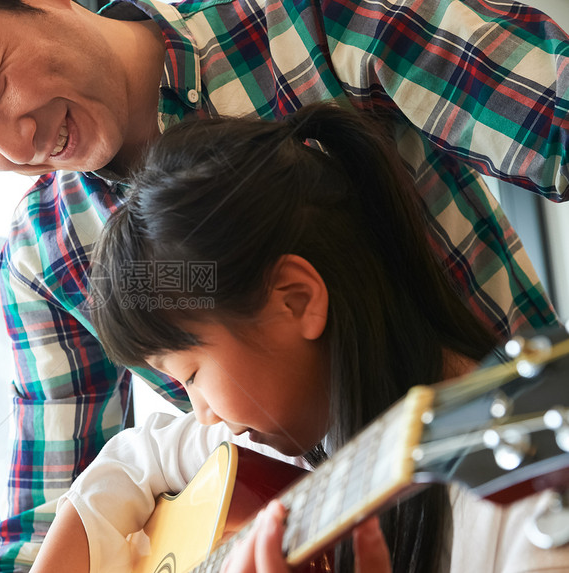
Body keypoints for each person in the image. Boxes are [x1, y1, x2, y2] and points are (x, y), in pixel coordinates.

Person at [0, 0, 569, 569]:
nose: (15, 145)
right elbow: (62, 499)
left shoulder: (305, 23)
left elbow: (551, 111)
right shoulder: (47, 251)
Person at [29, 103, 569, 573]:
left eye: (192, 374)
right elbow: (132, 457)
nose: (204, 415)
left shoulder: (530, 519)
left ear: (296, 300)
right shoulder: (284, 435)